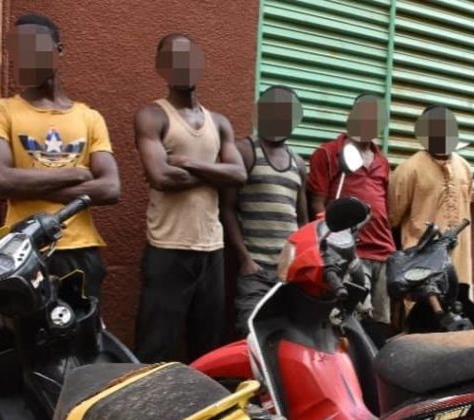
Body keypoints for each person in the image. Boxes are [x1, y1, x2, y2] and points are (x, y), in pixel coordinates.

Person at [0, 13, 120, 420]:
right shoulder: (1, 110)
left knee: (85, 355)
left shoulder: (89, 116)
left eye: (38, 48)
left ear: (60, 52)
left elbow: (113, 186)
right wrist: (77, 177)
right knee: (14, 355)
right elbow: (1, 179)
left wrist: (60, 180)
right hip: (20, 258)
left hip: (81, 252)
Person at [133, 33, 246, 363]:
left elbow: (238, 175)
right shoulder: (152, 116)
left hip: (211, 248)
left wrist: (189, 164)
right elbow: (161, 177)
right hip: (168, 247)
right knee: (156, 345)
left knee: (208, 345)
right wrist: (214, 172)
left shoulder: (219, 123)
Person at [222, 85, 307, 334]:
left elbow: (302, 220)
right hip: (255, 270)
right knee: (250, 336)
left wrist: (298, 265)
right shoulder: (246, 151)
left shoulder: (298, 163)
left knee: (286, 337)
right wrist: (245, 259)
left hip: (288, 275)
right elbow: (226, 209)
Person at [307, 93, 394, 325]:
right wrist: (330, 242)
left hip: (384, 251)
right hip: (351, 254)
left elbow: (385, 206)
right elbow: (318, 203)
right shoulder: (327, 153)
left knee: (380, 323)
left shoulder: (382, 161)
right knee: (349, 321)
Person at [389, 105, 474, 285]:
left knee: (458, 305)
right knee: (422, 309)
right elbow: (392, 217)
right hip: (421, 258)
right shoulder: (408, 169)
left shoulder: (465, 168)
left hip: (459, 260)